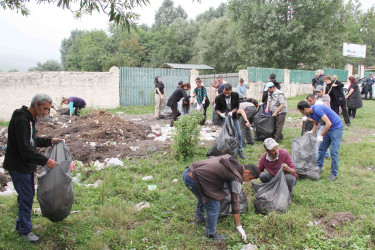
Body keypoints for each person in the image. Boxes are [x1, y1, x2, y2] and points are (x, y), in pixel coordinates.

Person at [3, 94, 63, 243]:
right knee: (26, 197)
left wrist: (49, 141)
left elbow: (30, 141)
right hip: (19, 166)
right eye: (45, 109)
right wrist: (45, 161)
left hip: (25, 165)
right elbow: (24, 148)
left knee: (26, 196)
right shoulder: (21, 119)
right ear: (35, 104)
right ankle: (25, 231)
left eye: (48, 110)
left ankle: (21, 225)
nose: (46, 112)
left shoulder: (29, 119)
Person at [182, 155, 259, 242]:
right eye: (250, 178)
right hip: (193, 179)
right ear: (247, 172)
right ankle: (210, 234)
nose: (248, 181)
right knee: (214, 206)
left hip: (189, 172)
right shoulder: (236, 177)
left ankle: (198, 220)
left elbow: (212, 158)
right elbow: (235, 203)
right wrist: (239, 227)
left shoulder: (232, 161)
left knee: (203, 198)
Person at [297, 101, 344, 181]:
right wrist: (312, 131)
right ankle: (318, 168)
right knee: (321, 150)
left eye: (302, 112)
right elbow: (316, 124)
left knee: (334, 152)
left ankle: (334, 173)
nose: (303, 114)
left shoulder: (317, 109)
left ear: (305, 109)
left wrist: (321, 135)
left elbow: (328, 123)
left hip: (336, 128)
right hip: (328, 129)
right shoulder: (311, 113)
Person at [215, 83, 246, 159]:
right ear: (223, 90)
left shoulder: (235, 95)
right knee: (226, 135)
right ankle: (226, 151)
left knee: (239, 134)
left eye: (228, 93)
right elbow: (216, 109)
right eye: (225, 93)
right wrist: (220, 114)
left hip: (233, 116)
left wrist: (232, 112)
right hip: (224, 117)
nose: (227, 94)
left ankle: (239, 150)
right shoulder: (219, 97)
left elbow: (237, 107)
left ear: (231, 90)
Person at [305, 94, 331, 160]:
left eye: (310, 101)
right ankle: (327, 155)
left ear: (314, 98)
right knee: (322, 140)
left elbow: (324, 119)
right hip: (322, 123)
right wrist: (312, 131)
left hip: (326, 124)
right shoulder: (314, 105)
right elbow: (316, 122)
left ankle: (317, 159)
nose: (309, 103)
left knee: (318, 142)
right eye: (308, 102)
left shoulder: (317, 105)